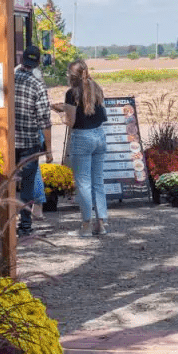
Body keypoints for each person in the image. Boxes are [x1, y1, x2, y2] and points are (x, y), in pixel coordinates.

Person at [52, 59, 109, 236]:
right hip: (100, 135)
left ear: (72, 76)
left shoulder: (71, 93)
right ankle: (101, 224)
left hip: (82, 137)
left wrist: (61, 113)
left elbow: (72, 121)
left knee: (83, 182)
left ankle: (86, 225)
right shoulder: (97, 88)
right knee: (97, 181)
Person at [14, 45, 53, 239]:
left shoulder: (9, 78)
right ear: (38, 62)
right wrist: (49, 150)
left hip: (7, 141)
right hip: (29, 143)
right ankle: (25, 226)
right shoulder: (38, 85)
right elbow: (44, 121)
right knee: (27, 187)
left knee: (7, 184)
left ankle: (4, 223)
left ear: (22, 60)